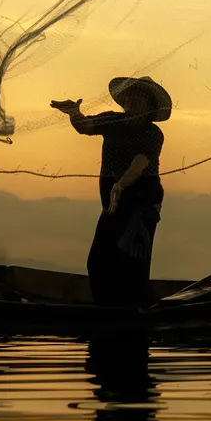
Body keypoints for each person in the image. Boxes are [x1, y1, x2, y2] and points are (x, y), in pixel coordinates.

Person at [52, 77, 172, 306]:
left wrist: (121, 185)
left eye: (138, 98)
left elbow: (139, 164)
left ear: (149, 106)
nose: (131, 101)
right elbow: (85, 127)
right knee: (100, 259)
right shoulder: (112, 120)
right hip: (113, 198)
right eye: (130, 96)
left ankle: (131, 308)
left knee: (131, 256)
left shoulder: (153, 134)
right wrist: (73, 113)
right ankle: (108, 305)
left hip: (140, 200)